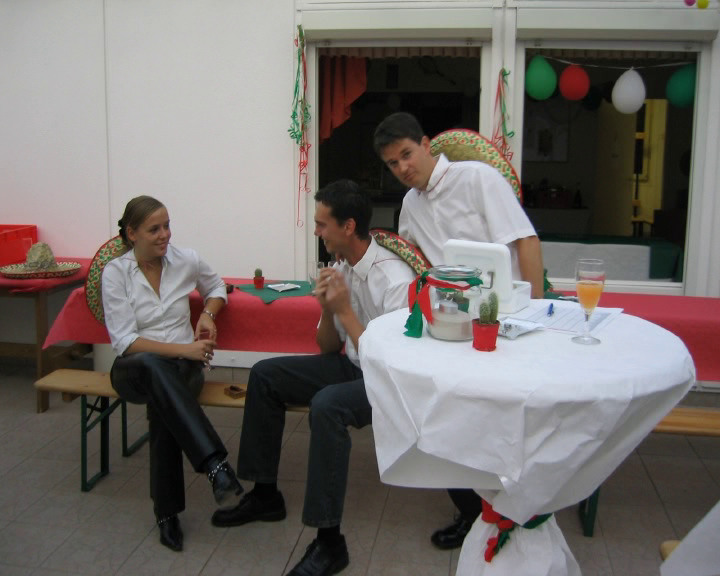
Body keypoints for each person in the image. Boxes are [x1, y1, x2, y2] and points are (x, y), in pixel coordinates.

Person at [211, 180, 416, 576]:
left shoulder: (394, 280)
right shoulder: (342, 268)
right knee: (265, 375)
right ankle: (265, 495)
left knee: (328, 406)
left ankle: (329, 543)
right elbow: (327, 348)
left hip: (389, 380)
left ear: (349, 226)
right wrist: (326, 310)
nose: (317, 232)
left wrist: (346, 310)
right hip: (353, 365)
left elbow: (391, 363)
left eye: (322, 224)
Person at [373, 112, 545, 551]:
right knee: (452, 419)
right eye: (392, 163)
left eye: (406, 154)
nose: (402, 168)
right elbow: (415, 262)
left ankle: (520, 512)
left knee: (505, 422)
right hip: (453, 327)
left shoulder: (478, 179)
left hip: (505, 321)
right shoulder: (410, 205)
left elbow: (525, 240)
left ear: (426, 144)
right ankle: (472, 514)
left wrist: (536, 314)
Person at [102, 195, 242, 553]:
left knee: (164, 406)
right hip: (135, 369)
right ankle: (215, 464)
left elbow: (217, 287)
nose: (165, 234)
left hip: (181, 370)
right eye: (154, 229)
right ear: (132, 233)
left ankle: (167, 514)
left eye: (167, 226)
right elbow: (126, 342)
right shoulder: (116, 273)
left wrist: (208, 314)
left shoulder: (185, 259)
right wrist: (185, 350)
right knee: (153, 368)